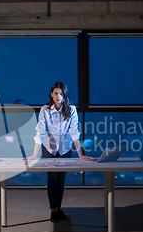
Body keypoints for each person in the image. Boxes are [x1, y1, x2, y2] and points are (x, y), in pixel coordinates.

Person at [24, 82, 94, 223]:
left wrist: (80, 154)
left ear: (64, 95)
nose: (58, 96)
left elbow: (74, 132)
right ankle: (53, 212)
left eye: (61, 93)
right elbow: (40, 132)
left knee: (61, 180)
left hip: (65, 149)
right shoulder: (45, 110)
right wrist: (34, 154)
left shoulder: (71, 109)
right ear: (51, 94)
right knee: (52, 179)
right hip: (48, 148)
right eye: (55, 93)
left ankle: (58, 209)